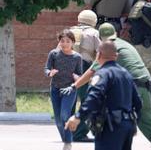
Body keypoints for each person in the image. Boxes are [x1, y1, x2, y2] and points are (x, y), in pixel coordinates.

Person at [62, 23, 151, 150]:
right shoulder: (125, 45)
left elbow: (92, 83)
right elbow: (137, 102)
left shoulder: (107, 50)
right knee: (149, 123)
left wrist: (74, 87)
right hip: (144, 85)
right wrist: (134, 123)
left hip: (121, 108)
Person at [65, 41, 142, 150]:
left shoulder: (103, 74)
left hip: (110, 126)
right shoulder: (126, 74)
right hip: (127, 126)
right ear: (116, 56)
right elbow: (138, 102)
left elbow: (94, 97)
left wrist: (78, 116)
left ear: (98, 55)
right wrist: (133, 123)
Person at [44, 29, 82, 150]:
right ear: (59, 42)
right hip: (55, 89)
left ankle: (68, 142)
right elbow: (46, 68)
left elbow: (80, 74)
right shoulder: (53, 54)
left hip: (70, 89)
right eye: (62, 41)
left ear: (73, 42)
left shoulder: (77, 57)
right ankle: (66, 138)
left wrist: (77, 77)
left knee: (65, 115)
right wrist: (50, 73)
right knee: (59, 120)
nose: (65, 43)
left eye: (68, 41)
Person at [69, 9, 101, 142]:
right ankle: (80, 133)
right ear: (93, 20)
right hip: (84, 67)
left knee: (69, 100)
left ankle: (68, 131)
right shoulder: (94, 33)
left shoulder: (70, 31)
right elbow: (100, 53)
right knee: (87, 100)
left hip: (67, 67)